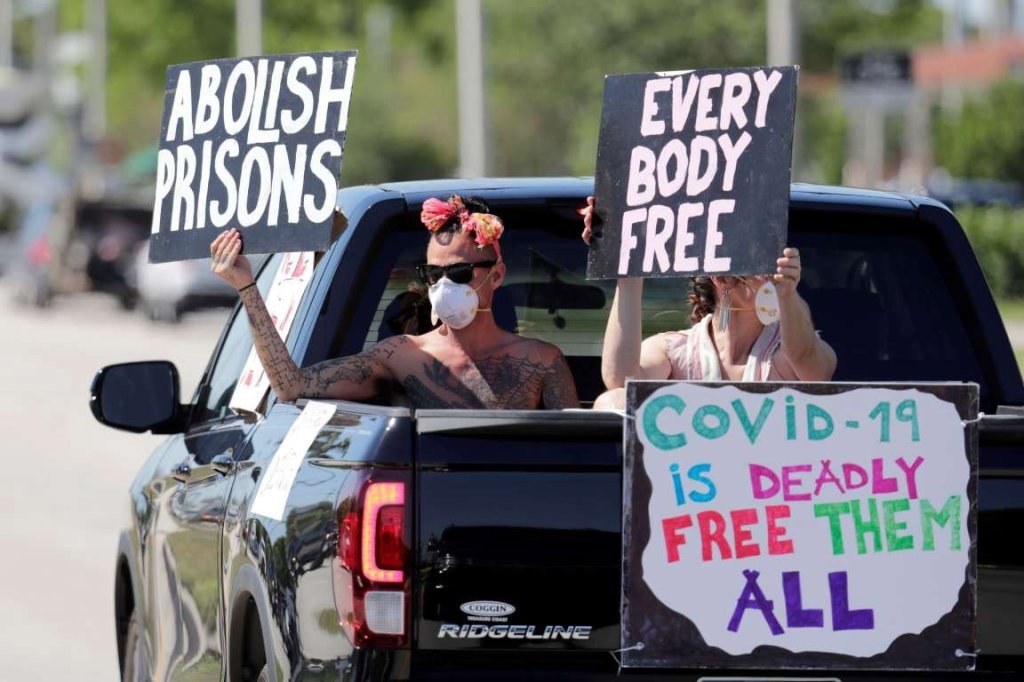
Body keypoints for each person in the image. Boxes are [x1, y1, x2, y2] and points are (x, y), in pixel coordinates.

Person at [211, 195, 579, 409]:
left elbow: (574, 457)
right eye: (435, 274)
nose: (446, 284)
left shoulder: (541, 360)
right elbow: (291, 386)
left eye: (461, 272)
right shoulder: (402, 356)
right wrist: (247, 287)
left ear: (496, 276)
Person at [580, 196, 836, 409]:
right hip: (686, 471)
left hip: (774, 471)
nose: (772, 272)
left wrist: (788, 293)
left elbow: (812, 367)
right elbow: (621, 380)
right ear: (721, 278)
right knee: (611, 401)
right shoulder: (674, 351)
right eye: (761, 261)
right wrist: (629, 267)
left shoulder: (787, 350)